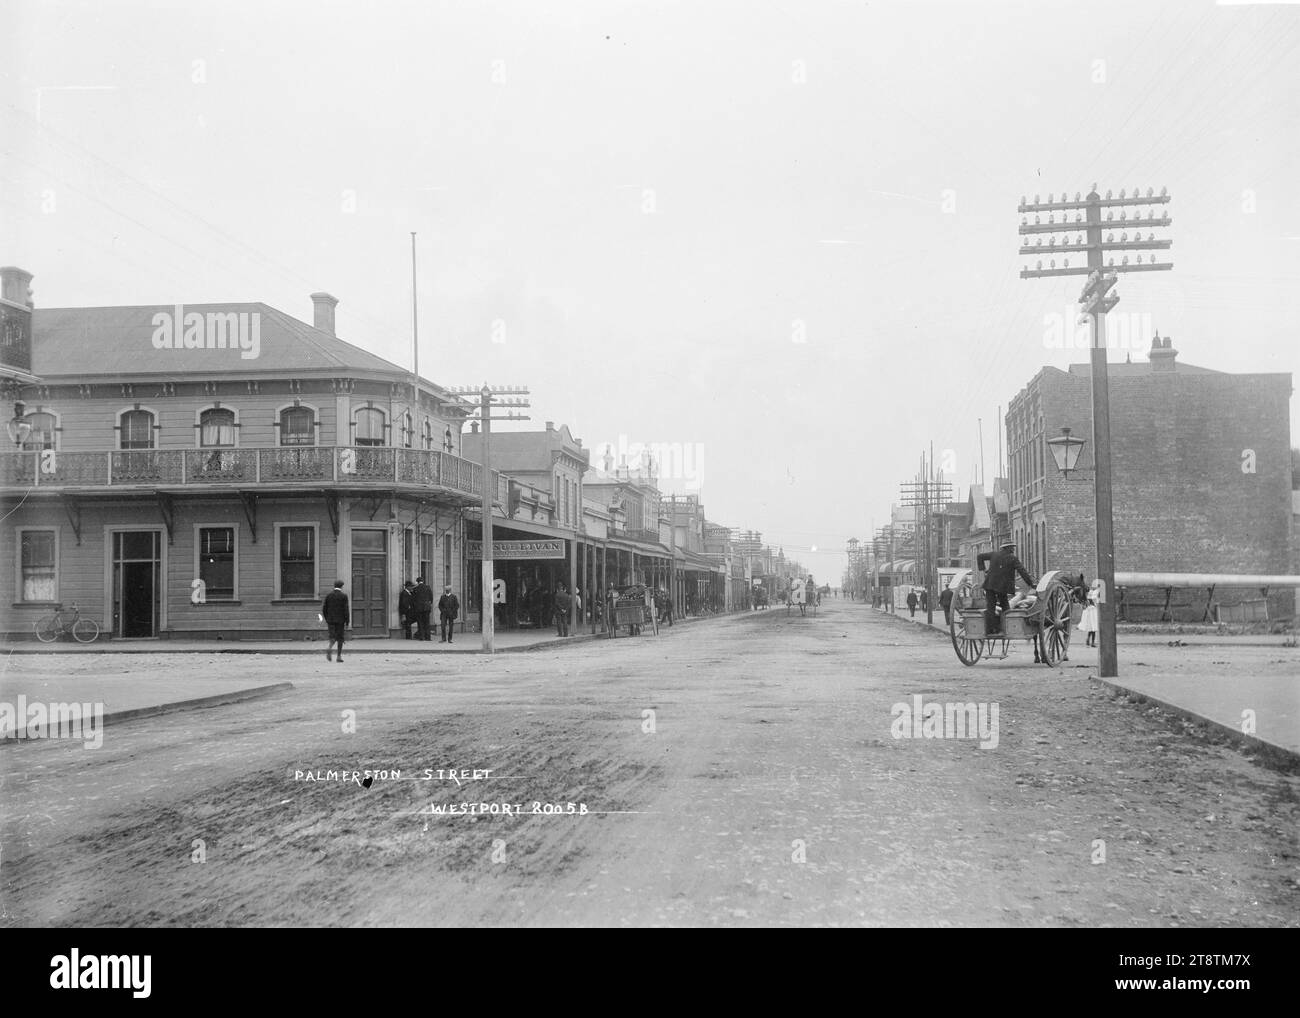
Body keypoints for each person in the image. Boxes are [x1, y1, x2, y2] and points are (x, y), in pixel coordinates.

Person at [977, 541, 1035, 637]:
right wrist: (1031, 583)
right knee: (1005, 606)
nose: (1013, 549)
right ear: (1007, 548)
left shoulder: (994, 554)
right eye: (1012, 547)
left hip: (989, 585)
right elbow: (1022, 571)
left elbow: (979, 556)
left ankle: (992, 629)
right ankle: (1007, 628)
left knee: (990, 606)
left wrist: (983, 570)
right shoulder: (1012, 558)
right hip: (1002, 587)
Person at [322, 579, 349, 662]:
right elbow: (346, 610)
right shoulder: (344, 596)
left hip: (331, 620)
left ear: (334, 586)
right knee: (340, 638)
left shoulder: (329, 596)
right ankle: (339, 656)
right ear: (341, 586)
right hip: (340, 621)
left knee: (332, 636)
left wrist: (327, 618)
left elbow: (324, 608)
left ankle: (329, 647)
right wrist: (347, 621)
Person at [412, 575, 434, 641]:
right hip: (427, 608)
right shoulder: (428, 587)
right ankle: (428, 637)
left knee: (420, 622)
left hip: (419, 608)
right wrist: (429, 604)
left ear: (417, 582)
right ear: (423, 581)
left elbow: (414, 600)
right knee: (427, 622)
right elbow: (431, 597)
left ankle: (421, 637)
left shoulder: (415, 589)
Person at [1081, 579, 1100, 647]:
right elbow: (1095, 601)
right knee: (1093, 627)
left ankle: (1088, 640)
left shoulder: (1090, 592)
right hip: (1093, 610)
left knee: (1091, 627)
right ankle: (1092, 642)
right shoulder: (1095, 592)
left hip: (1090, 610)